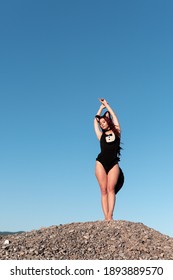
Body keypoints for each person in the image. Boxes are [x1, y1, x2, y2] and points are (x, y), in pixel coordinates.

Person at [94, 98, 124, 221]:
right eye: (100, 123)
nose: (101, 124)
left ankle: (110, 215)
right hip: (100, 162)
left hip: (113, 163)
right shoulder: (100, 135)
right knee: (103, 190)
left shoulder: (117, 132)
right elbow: (94, 122)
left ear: (108, 121)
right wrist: (100, 109)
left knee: (111, 189)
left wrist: (106, 105)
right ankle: (105, 217)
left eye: (103, 122)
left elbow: (115, 117)